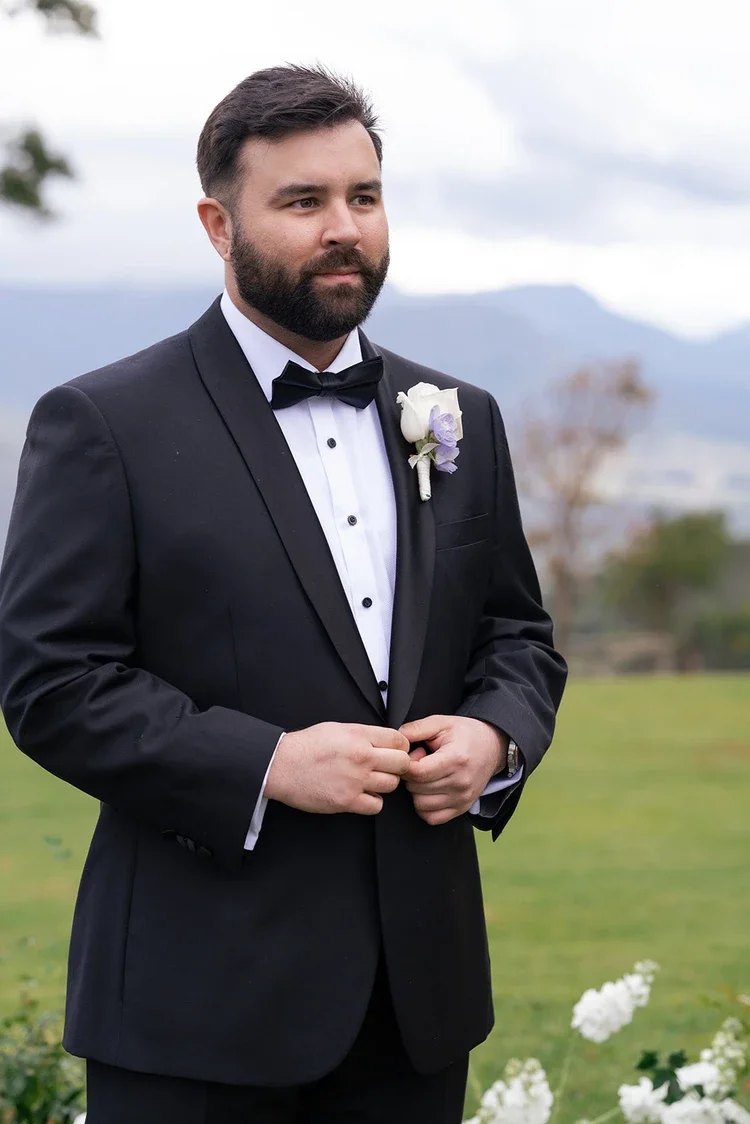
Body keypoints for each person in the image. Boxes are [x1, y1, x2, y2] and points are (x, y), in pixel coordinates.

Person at [0, 64, 567, 1124]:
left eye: (363, 195)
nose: (342, 227)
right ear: (219, 224)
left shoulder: (460, 416)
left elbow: (517, 633)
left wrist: (498, 737)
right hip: (193, 1007)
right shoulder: (102, 423)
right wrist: (263, 762)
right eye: (302, 202)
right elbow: (52, 682)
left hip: (419, 1002)